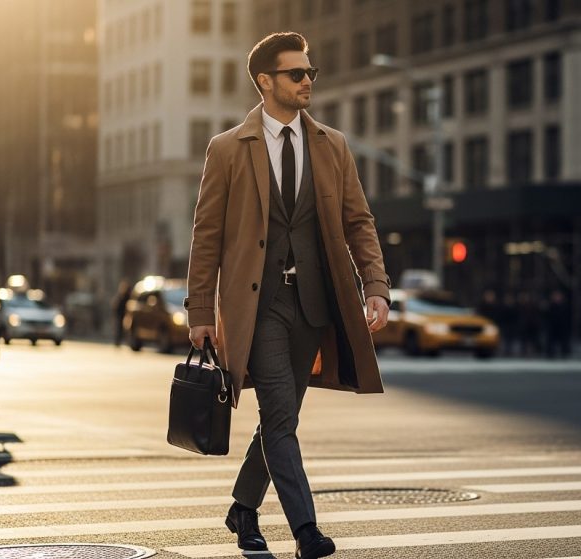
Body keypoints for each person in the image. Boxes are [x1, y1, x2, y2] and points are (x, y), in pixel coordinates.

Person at [185, 32, 390, 559]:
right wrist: (201, 311)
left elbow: (359, 222)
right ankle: (305, 532)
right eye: (296, 74)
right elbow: (206, 237)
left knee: (281, 419)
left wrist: (376, 286)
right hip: (257, 306)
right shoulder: (228, 149)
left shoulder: (332, 145)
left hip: (316, 304)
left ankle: (243, 509)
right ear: (265, 82)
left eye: (310, 73)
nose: (307, 82)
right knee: (280, 415)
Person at [111, 279, 132, 347]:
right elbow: (115, 304)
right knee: (119, 328)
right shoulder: (120, 295)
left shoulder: (127, 295)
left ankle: (125, 341)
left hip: (125, 314)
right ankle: (117, 341)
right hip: (119, 314)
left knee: (125, 328)